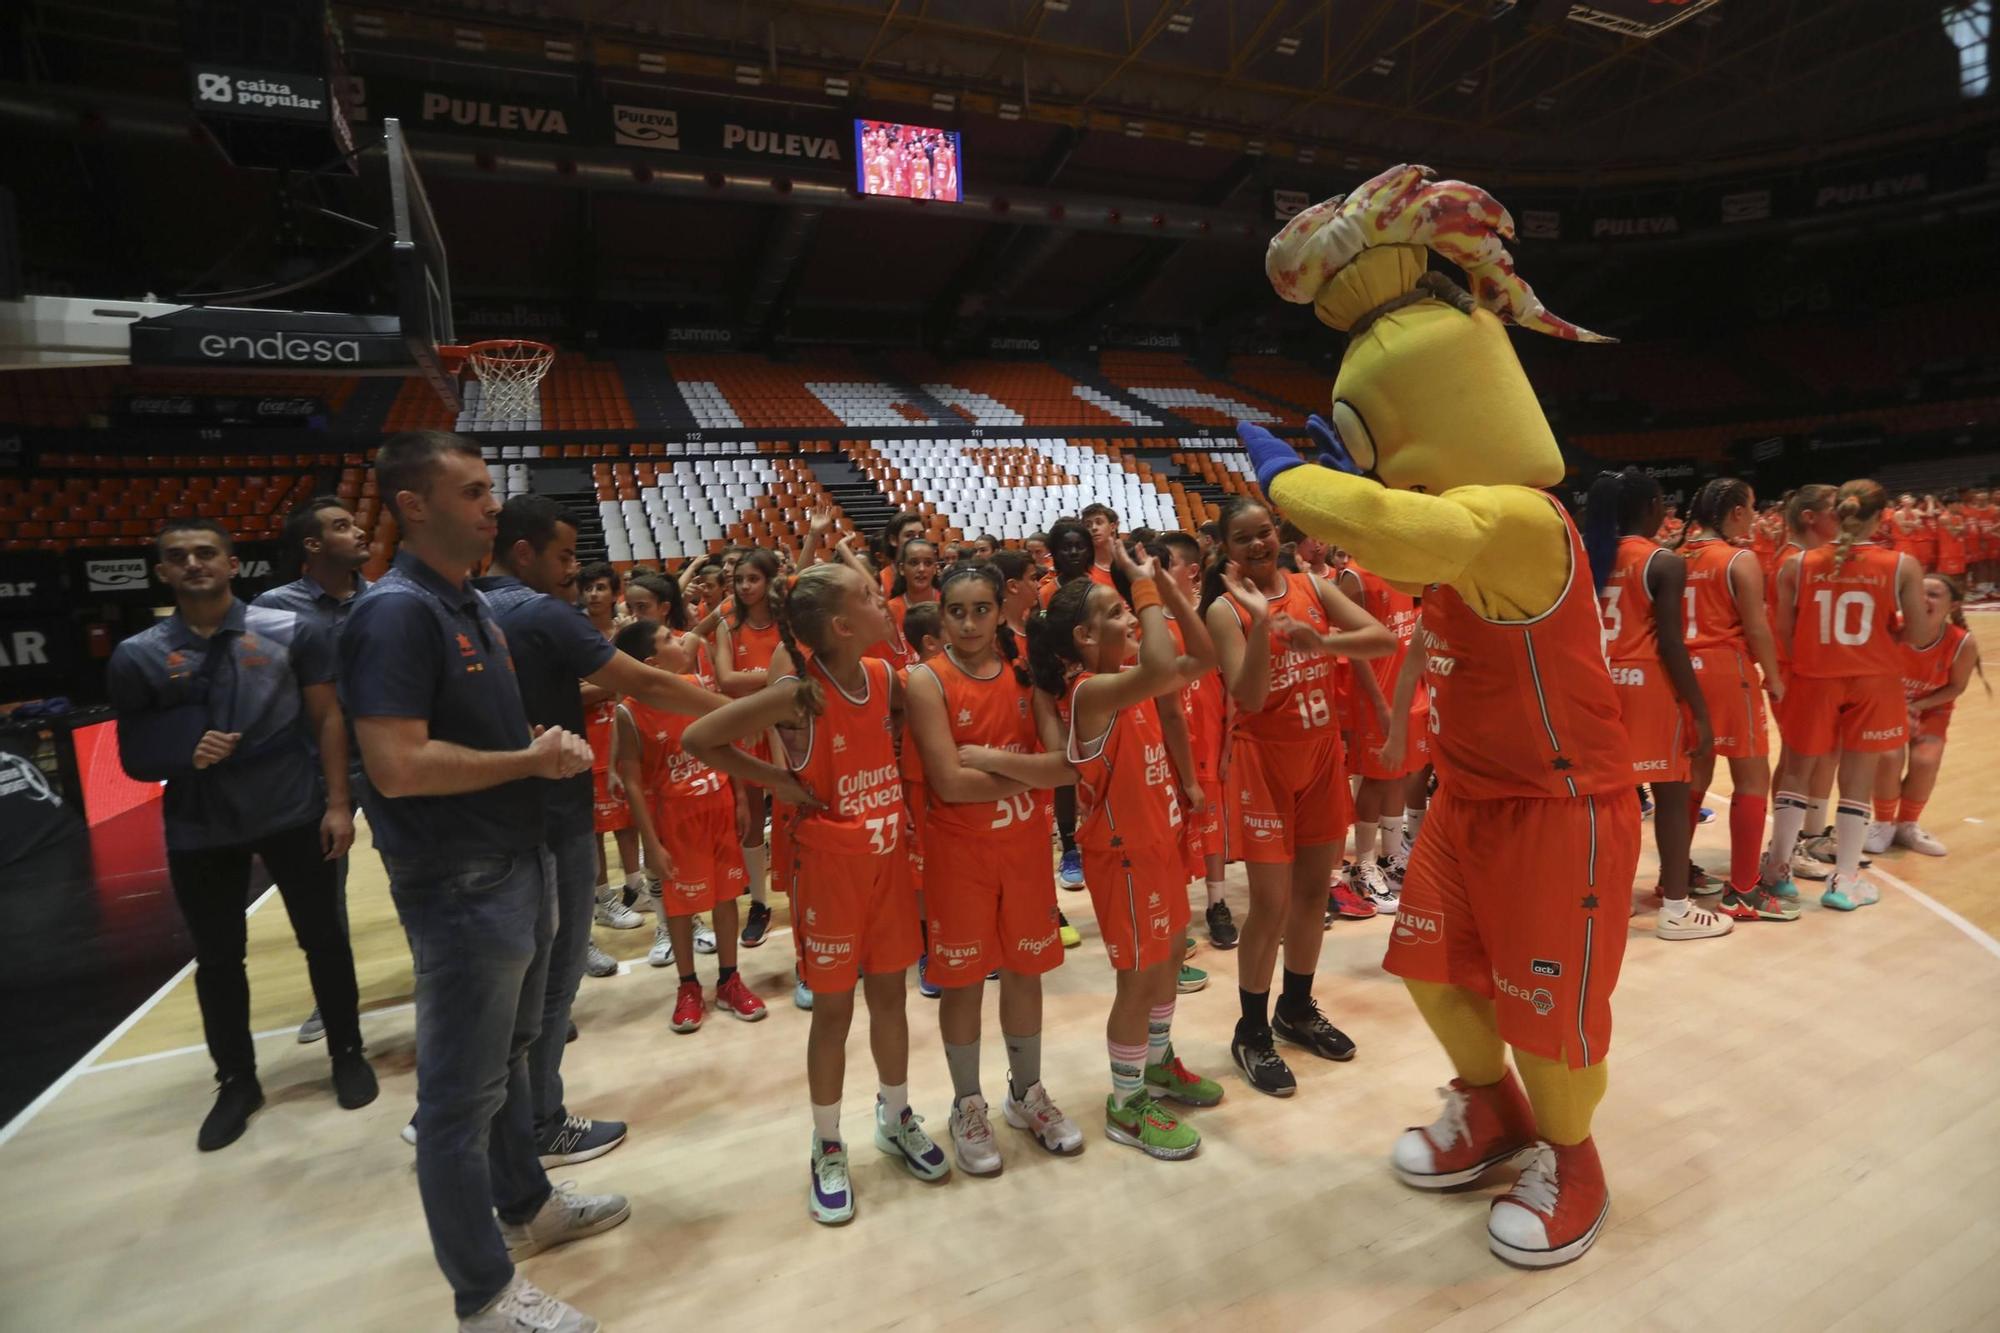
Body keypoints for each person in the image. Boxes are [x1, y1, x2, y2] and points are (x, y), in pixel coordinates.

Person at [341, 431, 625, 1333]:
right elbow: (394, 765)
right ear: (412, 505)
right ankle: (484, 1296)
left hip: (515, 861)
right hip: (462, 882)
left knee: (507, 1063)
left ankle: (528, 1205)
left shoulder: (467, 603)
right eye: (470, 492)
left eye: (489, 491)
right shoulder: (395, 612)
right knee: (457, 1104)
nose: (492, 506)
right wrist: (530, 759)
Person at [683, 561, 946, 1226]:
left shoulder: (884, 677)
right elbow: (699, 737)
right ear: (840, 624)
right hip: (828, 872)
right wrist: (777, 778)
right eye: (866, 597)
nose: (879, 601)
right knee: (833, 1014)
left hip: (888, 864)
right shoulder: (799, 694)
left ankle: (895, 1114)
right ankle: (827, 1142)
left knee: (891, 997)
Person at [109, 515, 376, 1151]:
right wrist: (184, 751)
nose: (194, 564)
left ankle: (347, 1052)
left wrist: (338, 803)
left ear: (233, 565)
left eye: (207, 553)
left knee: (325, 938)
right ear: (163, 572)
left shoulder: (291, 628)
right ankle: (236, 1081)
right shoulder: (138, 654)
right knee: (219, 959)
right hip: (200, 828)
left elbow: (328, 719)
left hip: (293, 809)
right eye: (179, 557)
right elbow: (133, 756)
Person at [473, 493, 724, 1165]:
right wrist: (743, 708)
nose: (574, 572)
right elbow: (647, 682)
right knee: (549, 991)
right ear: (523, 552)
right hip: (552, 817)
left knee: (511, 993)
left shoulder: (463, 604)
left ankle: (500, 1119)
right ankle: (536, 1125)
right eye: (563, 557)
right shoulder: (537, 611)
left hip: (493, 817)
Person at [967, 542, 1226, 1158]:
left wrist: (1160, 590)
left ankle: (1158, 1062)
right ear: (1083, 637)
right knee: (1136, 982)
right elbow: (1165, 667)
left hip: (1159, 843)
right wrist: (1145, 591)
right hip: (1125, 857)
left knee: (1166, 960)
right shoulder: (1089, 694)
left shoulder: (1123, 681)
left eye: (1124, 610)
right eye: (1114, 615)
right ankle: (1126, 1103)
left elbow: (1206, 655)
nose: (1130, 621)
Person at [1202, 497, 1394, 1097]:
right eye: (1243, 539)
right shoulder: (1223, 610)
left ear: (1277, 533)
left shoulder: (1313, 583)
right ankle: (1251, 1031)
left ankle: (1296, 1008)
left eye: (1263, 533)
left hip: (1319, 757)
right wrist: (1263, 623)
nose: (1257, 545)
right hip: (1264, 764)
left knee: (1315, 893)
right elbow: (1250, 696)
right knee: (1271, 904)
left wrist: (1323, 642)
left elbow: (1383, 640)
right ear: (1227, 550)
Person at [904, 563, 1082, 1173]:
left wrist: (988, 761)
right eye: (958, 610)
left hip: (1026, 851)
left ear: (998, 610)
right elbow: (950, 786)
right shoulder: (926, 681)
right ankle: (965, 1103)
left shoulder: (1024, 674)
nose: (971, 621)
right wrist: (1020, 771)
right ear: (940, 616)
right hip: (960, 859)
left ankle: (1025, 1093)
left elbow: (1066, 767)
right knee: (961, 983)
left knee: (1025, 971)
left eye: (982, 608)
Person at [1763, 479, 1925, 912]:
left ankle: (1777, 872)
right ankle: (1845, 880)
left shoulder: (1797, 565)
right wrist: (1890, 633)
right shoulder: (1901, 565)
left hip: (1815, 676)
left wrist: (1816, 659)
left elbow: (1782, 631)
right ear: (1882, 516)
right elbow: (1922, 633)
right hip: (1873, 678)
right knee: (1857, 778)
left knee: (1796, 771)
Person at [1584, 469, 1728, 941]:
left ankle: (1609, 900)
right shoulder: (1663, 562)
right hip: (1646, 688)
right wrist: (1701, 711)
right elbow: (1670, 644)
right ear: (1650, 508)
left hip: (1596, 686)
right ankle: (1676, 909)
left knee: (1608, 803)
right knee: (1668, 794)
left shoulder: (1583, 557)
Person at [610, 619, 769, 1031]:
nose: (679, 640)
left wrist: (737, 798)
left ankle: (730, 979)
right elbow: (631, 781)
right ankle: (688, 986)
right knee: (679, 909)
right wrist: (651, 843)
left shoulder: (698, 687)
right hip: (674, 819)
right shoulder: (629, 712)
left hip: (716, 806)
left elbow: (724, 743)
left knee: (726, 897)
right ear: (650, 663)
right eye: (667, 640)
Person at [254, 495, 372, 1044]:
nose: (360, 530)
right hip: (316, 766)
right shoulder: (273, 607)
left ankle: (434, 977)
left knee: (419, 873)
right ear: (312, 544)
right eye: (343, 526)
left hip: (390, 754)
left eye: (355, 521)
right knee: (326, 895)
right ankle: (333, 1000)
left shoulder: (388, 599)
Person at [1676, 478, 1792, 924]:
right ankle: (1743, 892)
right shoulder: (1738, 560)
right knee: (1751, 777)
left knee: (1693, 776)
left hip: (1681, 675)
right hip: (1727, 674)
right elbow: (1757, 629)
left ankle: (1674, 878)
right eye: (1752, 507)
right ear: (1737, 513)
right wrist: (1774, 676)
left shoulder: (1672, 556)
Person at [1155, 532, 1235, 948]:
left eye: (1165, 564)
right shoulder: (1148, 626)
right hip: (1168, 746)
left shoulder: (1210, 622)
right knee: (1171, 832)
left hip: (1208, 739)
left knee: (1213, 828)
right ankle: (1177, 911)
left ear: (1190, 572)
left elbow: (1232, 689)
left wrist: (1228, 745)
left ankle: (1217, 904)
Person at [1871, 574, 1982, 856]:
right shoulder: (1891, 628)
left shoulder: (1962, 643)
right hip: (1887, 704)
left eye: (1934, 595)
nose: (1923, 599)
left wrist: (1918, 707)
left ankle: (1907, 825)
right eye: (1919, 592)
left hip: (1932, 707)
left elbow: (1956, 687)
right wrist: (1896, 707)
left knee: (1926, 760)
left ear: (1953, 606)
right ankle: (1883, 824)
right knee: (1888, 756)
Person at [713, 549, 784, 948]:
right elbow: (726, 679)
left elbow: (798, 671)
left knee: (796, 815)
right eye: (739, 579)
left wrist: (755, 681)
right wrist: (771, 681)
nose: (744, 586)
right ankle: (759, 903)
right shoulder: (727, 625)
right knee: (752, 821)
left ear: (769, 581)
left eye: (753, 578)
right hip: (748, 730)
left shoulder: (788, 622)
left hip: (788, 730)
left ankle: (800, 889)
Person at [576, 561, 648, 927]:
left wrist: (610, 684)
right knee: (595, 825)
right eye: (588, 588)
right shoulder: (573, 634)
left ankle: (635, 886)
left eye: (601, 587)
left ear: (614, 593)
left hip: (623, 735)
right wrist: (616, 682)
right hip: (588, 737)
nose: (593, 594)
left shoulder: (625, 634)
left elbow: (640, 683)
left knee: (627, 817)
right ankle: (602, 896)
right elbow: (575, 695)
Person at [1080, 503, 1121, 586]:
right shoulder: (1082, 570)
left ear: (1113, 527)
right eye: (1088, 525)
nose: (1094, 528)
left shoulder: (1130, 561)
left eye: (1099, 522)